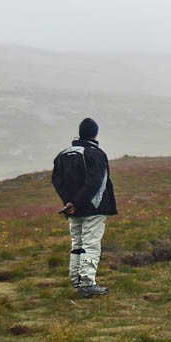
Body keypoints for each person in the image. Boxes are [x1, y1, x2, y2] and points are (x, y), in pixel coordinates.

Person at [52, 117, 118, 298]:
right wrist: (78, 202)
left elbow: (57, 181)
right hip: (93, 208)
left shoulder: (63, 155)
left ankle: (76, 279)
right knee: (91, 243)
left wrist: (68, 202)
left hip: (72, 209)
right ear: (95, 133)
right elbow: (94, 182)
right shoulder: (95, 153)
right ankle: (88, 283)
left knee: (77, 242)